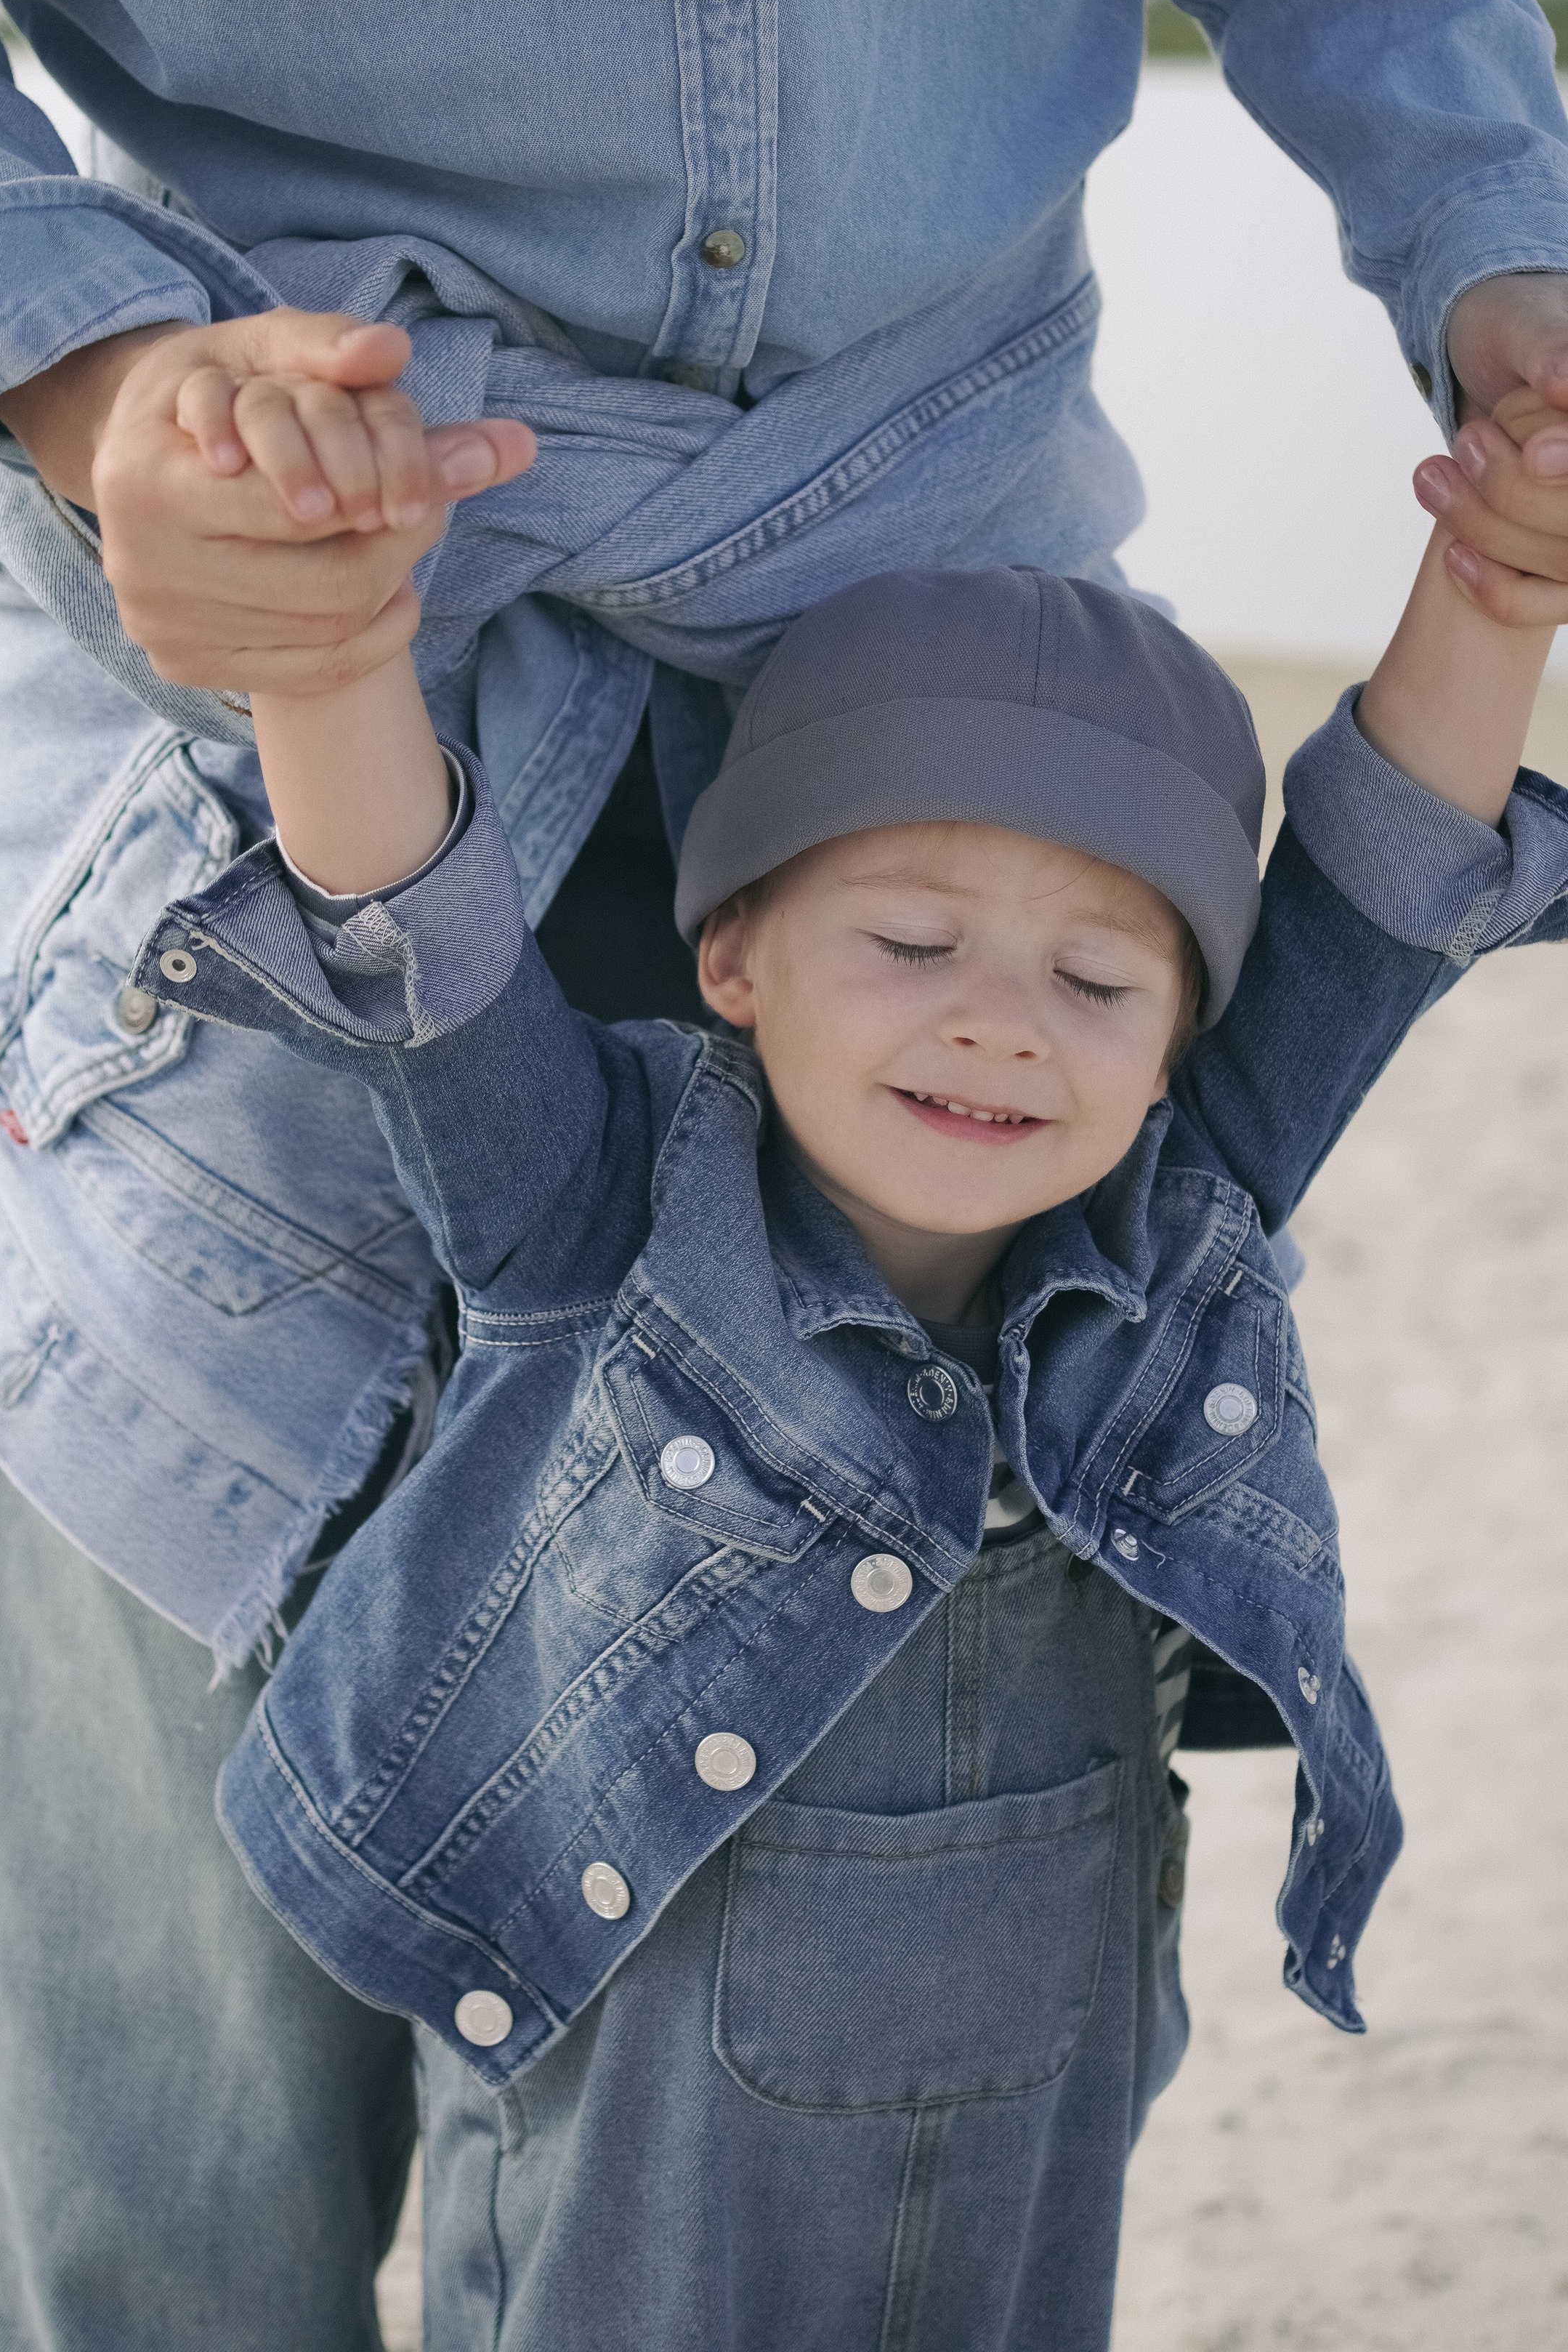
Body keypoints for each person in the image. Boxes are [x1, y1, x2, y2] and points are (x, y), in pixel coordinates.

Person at [0, 0, 1568, 2338]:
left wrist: (1501, 263)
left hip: (944, 689)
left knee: (728, 2120)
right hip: (239, 694)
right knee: (160, 2154)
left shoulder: (1036, 1003)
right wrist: (112, 397)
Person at [136, 392, 1568, 2349]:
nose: (1000, 1028)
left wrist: (1502, 577)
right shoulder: (595, 1214)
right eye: (909, 941)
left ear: (1176, 1039)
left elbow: (1384, 877)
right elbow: (420, 947)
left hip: (1037, 2079)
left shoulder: (1181, 1212)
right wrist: (329, 655)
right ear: (735, 953)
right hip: (644, 2125)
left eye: (1095, 981)